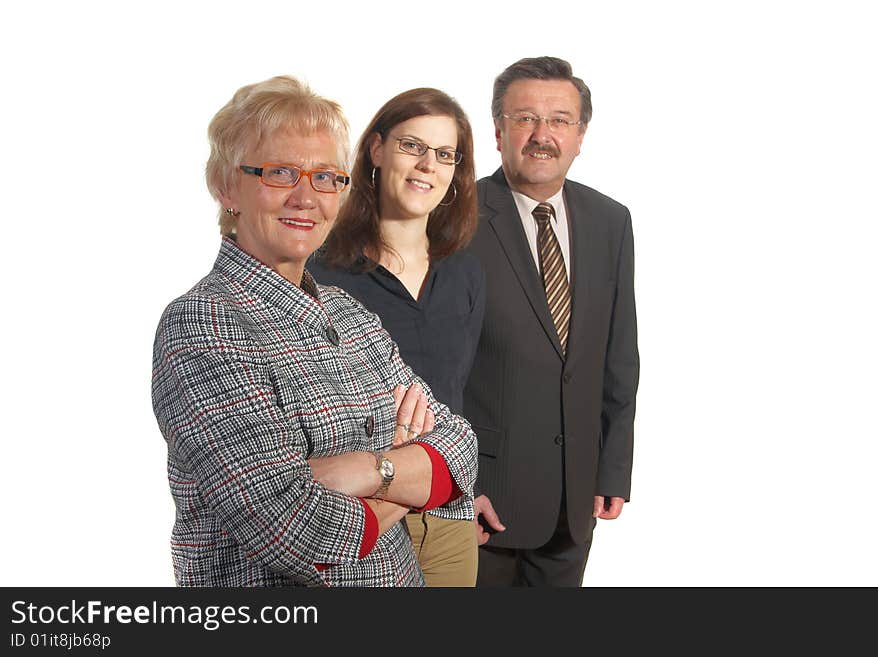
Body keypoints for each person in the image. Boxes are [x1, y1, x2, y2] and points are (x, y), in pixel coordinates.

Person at [151, 75, 477, 587]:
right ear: (225, 185)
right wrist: (404, 462)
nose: (308, 197)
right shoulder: (202, 324)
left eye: (326, 177)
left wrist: (370, 471)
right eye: (281, 172)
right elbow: (298, 529)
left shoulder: (348, 312)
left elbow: (460, 447)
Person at [464, 56, 639, 586]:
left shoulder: (611, 220)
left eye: (560, 120)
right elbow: (429, 365)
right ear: (498, 131)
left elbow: (618, 355)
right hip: (482, 500)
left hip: (574, 497)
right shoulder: (455, 217)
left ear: (581, 134)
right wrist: (451, 484)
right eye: (524, 119)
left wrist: (612, 467)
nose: (543, 135)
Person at [310, 88, 483, 586]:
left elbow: (463, 392)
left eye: (444, 154)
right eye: (412, 146)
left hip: (450, 515)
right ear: (377, 151)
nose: (428, 165)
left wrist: (474, 485)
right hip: (360, 517)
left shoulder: (465, 273)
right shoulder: (323, 272)